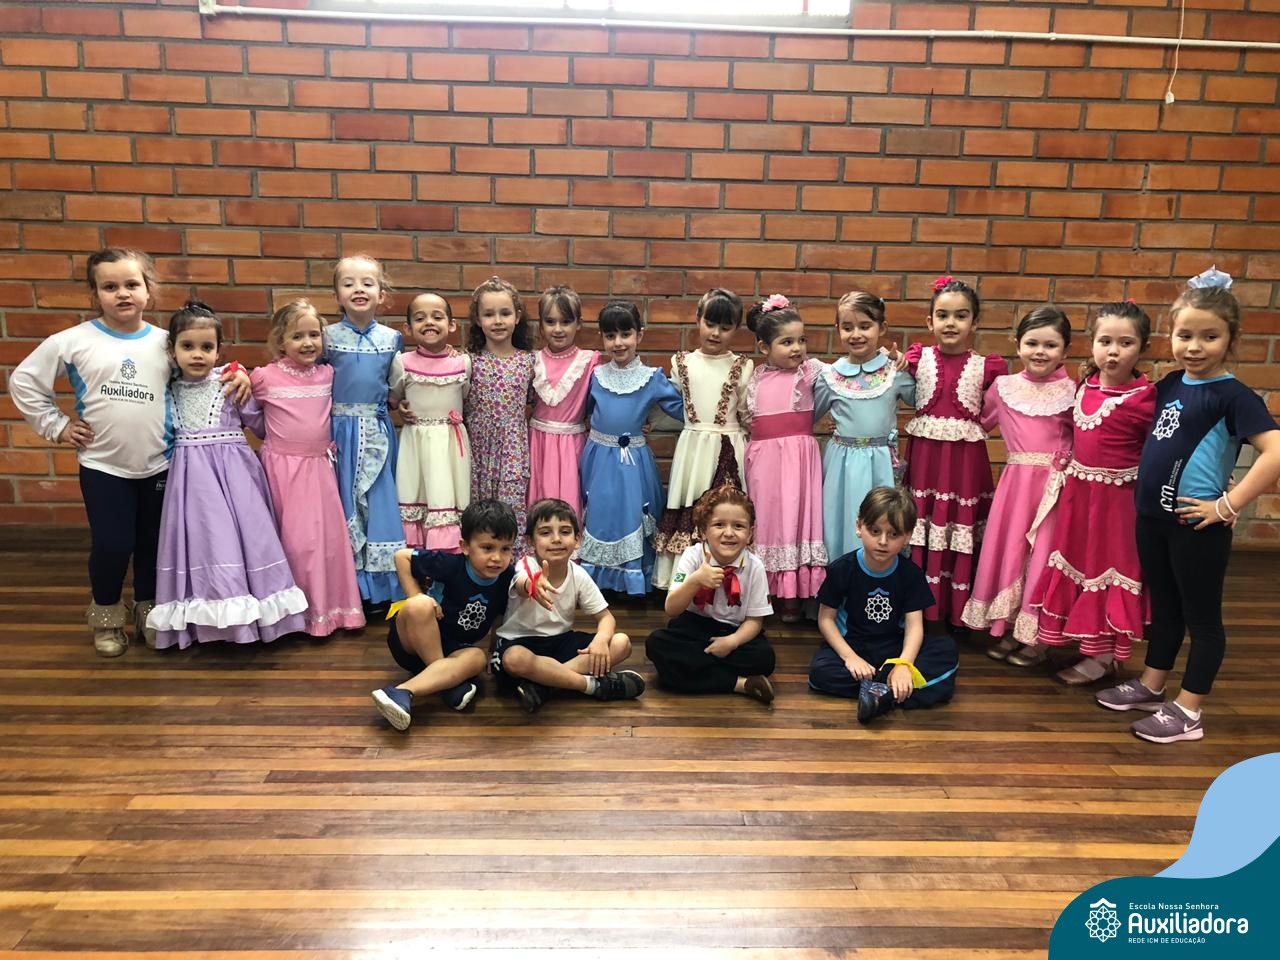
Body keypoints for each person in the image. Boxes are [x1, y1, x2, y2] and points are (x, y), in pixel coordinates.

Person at [9, 248, 248, 656]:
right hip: (104, 467)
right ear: (94, 294)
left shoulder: (164, 343)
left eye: (132, 284)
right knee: (113, 544)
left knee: (153, 544)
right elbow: (24, 381)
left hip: (160, 465)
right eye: (110, 286)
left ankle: (150, 612)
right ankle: (106, 616)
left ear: (148, 290)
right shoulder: (72, 342)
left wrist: (238, 373)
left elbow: (202, 368)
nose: (122, 293)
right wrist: (57, 425)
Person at [1098, 268, 1280, 743]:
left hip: (1197, 526)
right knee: (1165, 608)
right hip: (1152, 520)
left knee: (1202, 619)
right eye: (1185, 336)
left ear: (1231, 339)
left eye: (1209, 337)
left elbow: (1275, 452)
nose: (1194, 347)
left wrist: (1227, 505)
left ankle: (1189, 710)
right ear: (1171, 336)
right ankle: (1152, 684)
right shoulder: (1172, 383)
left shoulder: (1235, 397)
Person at [146, 300, 308, 649]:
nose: (197, 354)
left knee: (247, 539)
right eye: (188, 346)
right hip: (190, 482)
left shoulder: (231, 382)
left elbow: (260, 424)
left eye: (207, 347)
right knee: (205, 542)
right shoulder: (167, 387)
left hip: (235, 477)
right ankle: (211, 622)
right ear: (172, 350)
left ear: (219, 351)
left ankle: (255, 618)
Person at [1027, 301, 1157, 683]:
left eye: (1125, 343)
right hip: (1078, 499)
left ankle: (1102, 657)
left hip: (1117, 506)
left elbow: (1164, 448)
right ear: (1093, 343)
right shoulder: (1085, 387)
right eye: (1105, 341)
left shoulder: (1145, 398)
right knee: (1078, 566)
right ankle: (1080, 642)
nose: (1113, 351)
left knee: (1107, 570)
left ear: (1143, 348)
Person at [961, 308, 1076, 660]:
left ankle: (1037, 636)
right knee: (1011, 552)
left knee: (1042, 555)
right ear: (1017, 344)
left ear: (1066, 349)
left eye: (1050, 345)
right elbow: (978, 422)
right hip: (1015, 486)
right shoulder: (1003, 388)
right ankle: (1008, 626)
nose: (1040, 351)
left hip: (1053, 489)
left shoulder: (1073, 391)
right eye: (1032, 343)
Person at [250, 299, 365, 638]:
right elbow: (251, 417)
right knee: (296, 544)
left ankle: (329, 611)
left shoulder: (327, 374)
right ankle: (294, 615)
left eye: (314, 334)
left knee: (326, 543)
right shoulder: (264, 377)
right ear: (280, 341)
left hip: (320, 469)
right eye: (297, 336)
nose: (308, 343)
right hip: (283, 471)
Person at [903, 276, 1008, 634]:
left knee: (958, 531)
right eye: (943, 315)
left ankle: (956, 613)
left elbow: (999, 411)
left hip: (964, 466)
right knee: (922, 526)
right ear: (929, 321)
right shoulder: (918, 359)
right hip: (925, 462)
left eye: (961, 316)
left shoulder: (988, 367)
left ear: (975, 322)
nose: (951, 323)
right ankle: (918, 611)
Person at [809, 487, 958, 724]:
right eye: (875, 531)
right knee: (820, 673)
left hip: (894, 649)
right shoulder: (842, 569)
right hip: (854, 646)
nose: (882, 541)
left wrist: (904, 665)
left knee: (946, 651)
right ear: (859, 527)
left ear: (908, 536)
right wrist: (850, 658)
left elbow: (914, 626)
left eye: (894, 534)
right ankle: (893, 691)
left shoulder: (911, 574)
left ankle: (879, 693)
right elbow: (826, 620)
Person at [371, 499, 518, 732]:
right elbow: (402, 557)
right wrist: (418, 596)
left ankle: (403, 691)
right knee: (419, 605)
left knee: (478, 658)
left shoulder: (507, 577)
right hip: (412, 642)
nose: (497, 558)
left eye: (506, 549)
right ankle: (446, 682)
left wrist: (493, 651)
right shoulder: (451, 565)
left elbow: (500, 618)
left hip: (453, 649)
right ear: (465, 546)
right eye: (488, 548)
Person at [492, 498, 645, 714]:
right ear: (530, 541)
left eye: (564, 532)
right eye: (545, 533)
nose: (556, 539)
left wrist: (601, 640)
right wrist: (532, 585)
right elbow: (522, 583)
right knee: (514, 659)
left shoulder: (578, 574)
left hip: (560, 642)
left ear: (577, 540)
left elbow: (606, 617)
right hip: (521, 643)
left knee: (621, 643)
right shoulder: (526, 565)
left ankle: (545, 686)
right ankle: (590, 686)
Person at [577, 300, 685, 595]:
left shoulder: (652, 378)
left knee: (632, 513)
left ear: (640, 334)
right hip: (598, 458)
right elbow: (582, 410)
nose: (618, 342)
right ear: (602, 338)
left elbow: (682, 409)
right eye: (610, 336)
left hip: (634, 463)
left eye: (625, 334)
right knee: (601, 512)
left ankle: (632, 579)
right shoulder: (596, 376)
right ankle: (596, 581)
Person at [653, 288, 753, 589]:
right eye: (710, 324)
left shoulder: (742, 365)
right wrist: (647, 422)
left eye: (725, 327)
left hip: (728, 448)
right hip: (692, 450)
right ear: (698, 319)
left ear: (736, 329)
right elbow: (670, 404)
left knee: (725, 511)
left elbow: (747, 412)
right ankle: (683, 581)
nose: (716, 333)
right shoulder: (682, 362)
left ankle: (729, 581)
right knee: (690, 503)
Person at [325, 255, 406, 607]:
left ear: (381, 294)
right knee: (344, 501)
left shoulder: (391, 339)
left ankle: (381, 586)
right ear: (337, 295)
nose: (358, 289)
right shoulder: (326, 338)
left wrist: (398, 404)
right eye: (349, 283)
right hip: (339, 434)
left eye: (367, 283)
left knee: (378, 502)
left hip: (376, 433)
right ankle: (350, 586)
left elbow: (394, 388)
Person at [646, 485, 776, 703]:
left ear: (750, 533)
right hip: (694, 628)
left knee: (765, 658)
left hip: (734, 631)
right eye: (719, 525)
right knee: (656, 644)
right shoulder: (692, 556)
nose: (729, 533)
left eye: (738, 526)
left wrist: (732, 642)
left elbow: (755, 621)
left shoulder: (755, 567)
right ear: (703, 531)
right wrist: (695, 580)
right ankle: (739, 684)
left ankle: (694, 672)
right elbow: (671, 609)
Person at [814, 290, 916, 564]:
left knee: (882, 521)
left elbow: (922, 399)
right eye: (847, 327)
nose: (856, 334)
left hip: (880, 463)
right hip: (840, 465)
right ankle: (841, 579)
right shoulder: (830, 376)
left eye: (865, 326)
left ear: (882, 328)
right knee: (840, 521)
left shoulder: (894, 372)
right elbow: (807, 415)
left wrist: (912, 364)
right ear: (837, 329)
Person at [743, 294, 827, 621]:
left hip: (798, 460)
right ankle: (764, 592)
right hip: (763, 460)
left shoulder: (812, 372)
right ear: (764, 347)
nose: (797, 348)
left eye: (801, 340)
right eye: (787, 342)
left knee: (795, 519)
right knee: (766, 521)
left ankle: (794, 594)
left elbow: (847, 376)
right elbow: (745, 417)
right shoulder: (754, 379)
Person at [392, 291, 471, 550]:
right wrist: (400, 407)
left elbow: (465, 397)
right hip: (416, 442)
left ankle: (447, 551)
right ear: (407, 328)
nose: (429, 322)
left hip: (450, 444)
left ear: (451, 325)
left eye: (437, 317)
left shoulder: (463, 363)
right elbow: (394, 397)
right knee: (415, 492)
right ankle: (416, 556)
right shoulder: (402, 363)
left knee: (446, 494)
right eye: (420, 318)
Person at [464, 276, 536, 555]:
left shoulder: (529, 361)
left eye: (505, 313)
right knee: (478, 514)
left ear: (517, 317)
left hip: (512, 452)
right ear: (477, 319)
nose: (497, 321)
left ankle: (513, 570)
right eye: (489, 314)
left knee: (511, 512)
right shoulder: (468, 361)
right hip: (478, 451)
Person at [527, 285, 600, 515]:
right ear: (541, 325)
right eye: (550, 321)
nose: (558, 329)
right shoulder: (531, 360)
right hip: (537, 443)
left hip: (572, 445)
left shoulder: (590, 361)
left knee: (569, 503)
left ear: (578, 323)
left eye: (566, 321)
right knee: (537, 502)